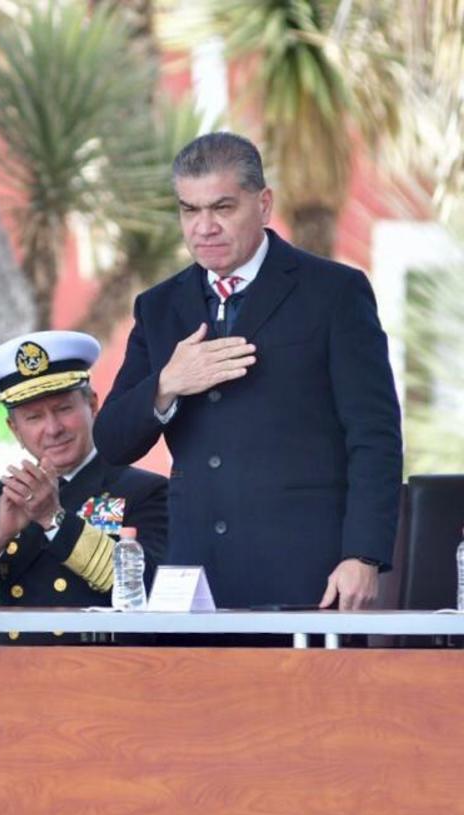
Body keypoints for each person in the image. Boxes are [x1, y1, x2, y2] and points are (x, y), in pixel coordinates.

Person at [93, 131, 402, 611]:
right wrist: (167, 384)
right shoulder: (159, 307)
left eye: (222, 208)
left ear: (263, 204)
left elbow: (374, 434)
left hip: (307, 573)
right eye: (189, 210)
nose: (204, 227)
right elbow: (112, 441)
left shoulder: (333, 292)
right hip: (194, 578)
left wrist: (363, 554)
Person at [0, 331, 168, 644]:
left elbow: (152, 589)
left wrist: (54, 519)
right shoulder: (3, 496)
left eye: (64, 409)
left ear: (93, 404)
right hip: (14, 676)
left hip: (102, 677)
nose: (53, 429)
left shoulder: (143, 490)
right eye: (33, 417)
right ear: (14, 429)